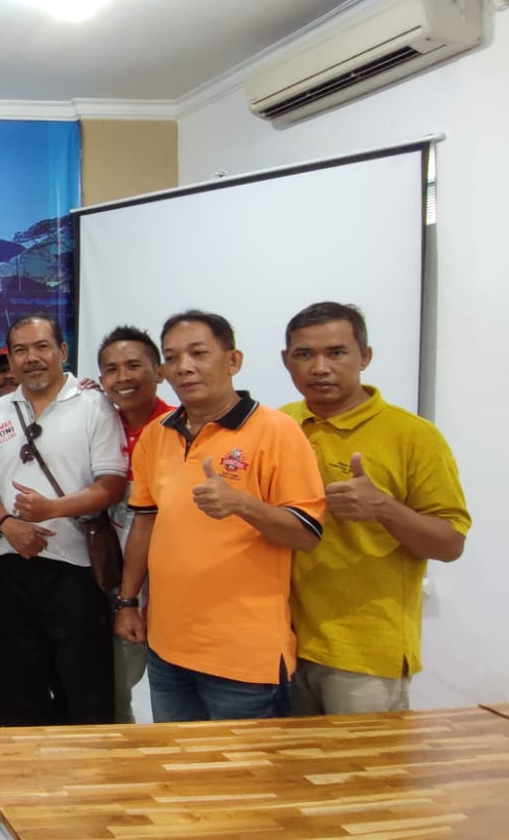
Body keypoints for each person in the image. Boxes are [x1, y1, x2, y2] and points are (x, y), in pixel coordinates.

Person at [115, 310, 325, 722]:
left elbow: (307, 534)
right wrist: (126, 601)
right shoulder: (157, 434)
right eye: (172, 357)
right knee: (177, 760)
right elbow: (145, 523)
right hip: (167, 647)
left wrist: (241, 504)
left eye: (199, 353)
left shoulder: (277, 431)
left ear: (233, 361)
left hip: (243, 658)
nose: (184, 367)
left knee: (242, 765)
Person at [280, 302, 470, 715]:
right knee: (288, 759)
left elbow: (450, 544)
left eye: (336, 352)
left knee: (366, 759)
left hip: (364, 654)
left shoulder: (413, 436)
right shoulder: (280, 425)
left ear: (364, 356)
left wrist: (383, 507)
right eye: (304, 354)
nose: (319, 368)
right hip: (283, 644)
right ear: (286, 360)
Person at [0, 315, 126, 727]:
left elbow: (112, 483)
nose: (31, 358)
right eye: (20, 350)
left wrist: (53, 509)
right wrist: (7, 524)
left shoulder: (94, 405)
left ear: (62, 351)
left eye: (41, 347)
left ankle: (87, 764)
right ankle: (26, 765)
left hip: (77, 568)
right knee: (17, 683)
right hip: (11, 563)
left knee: (84, 684)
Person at [96, 326, 175, 724]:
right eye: (111, 370)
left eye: (133, 366)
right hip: (114, 573)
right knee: (115, 681)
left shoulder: (180, 428)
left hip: (170, 580)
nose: (122, 378)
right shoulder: (100, 422)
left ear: (159, 371)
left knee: (170, 687)